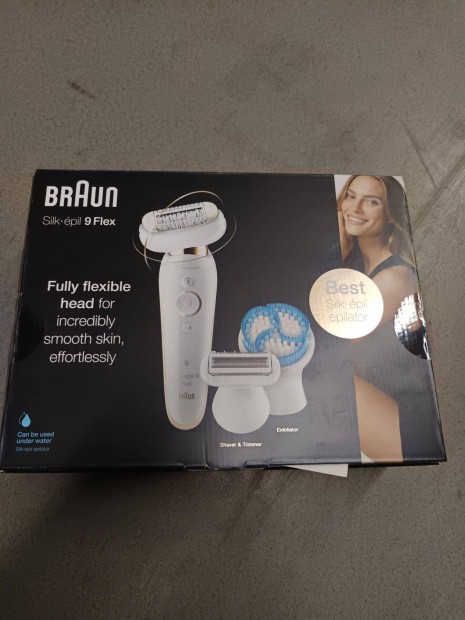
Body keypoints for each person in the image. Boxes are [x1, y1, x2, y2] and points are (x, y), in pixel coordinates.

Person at [336, 175, 420, 463]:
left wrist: (333, 254)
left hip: (406, 419)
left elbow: (326, 342)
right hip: (376, 398)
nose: (355, 208)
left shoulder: (395, 278)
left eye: (371, 201)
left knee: (320, 373)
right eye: (351, 196)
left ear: (390, 213)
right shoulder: (358, 267)